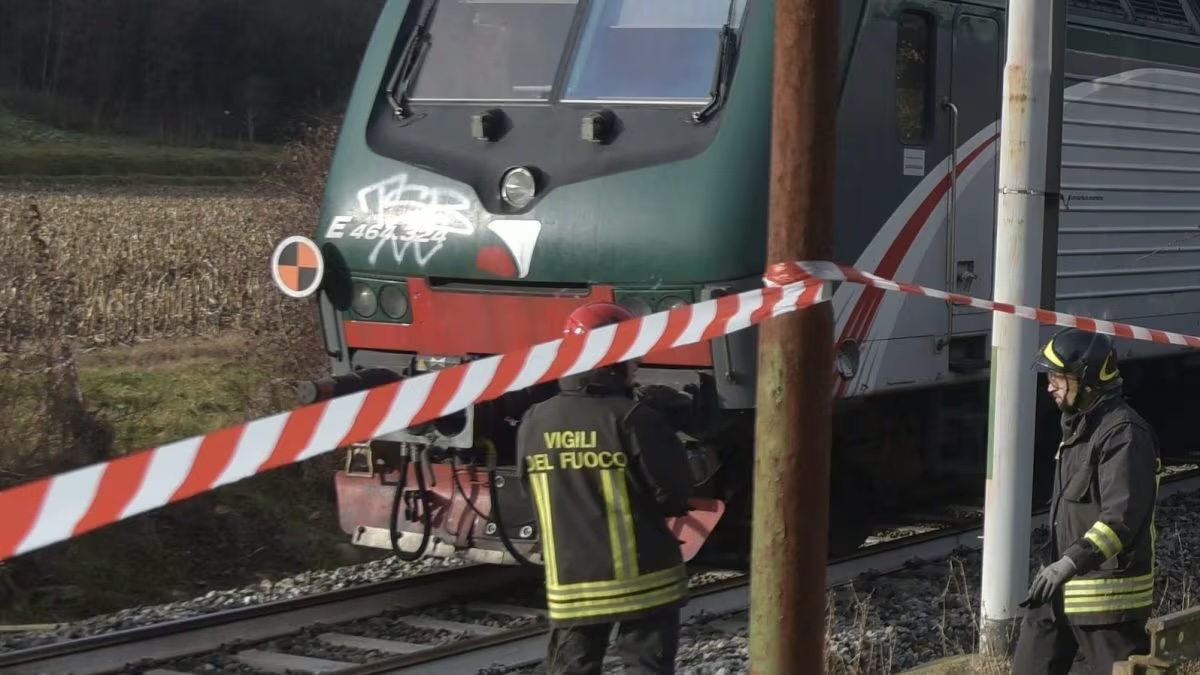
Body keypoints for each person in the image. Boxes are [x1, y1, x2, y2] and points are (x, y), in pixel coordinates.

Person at [516, 302, 694, 675]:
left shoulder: (533, 420)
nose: (637, 365)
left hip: (572, 583)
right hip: (646, 580)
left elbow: (528, 489)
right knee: (646, 668)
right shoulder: (633, 418)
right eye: (631, 356)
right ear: (614, 361)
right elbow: (673, 495)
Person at [1012, 327, 1161, 675]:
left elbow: (1120, 520)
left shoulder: (1124, 433)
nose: (1050, 387)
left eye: (1058, 378)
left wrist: (1069, 562)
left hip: (1107, 599)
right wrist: (1060, 568)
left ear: (1087, 380)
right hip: (1057, 592)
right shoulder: (1080, 428)